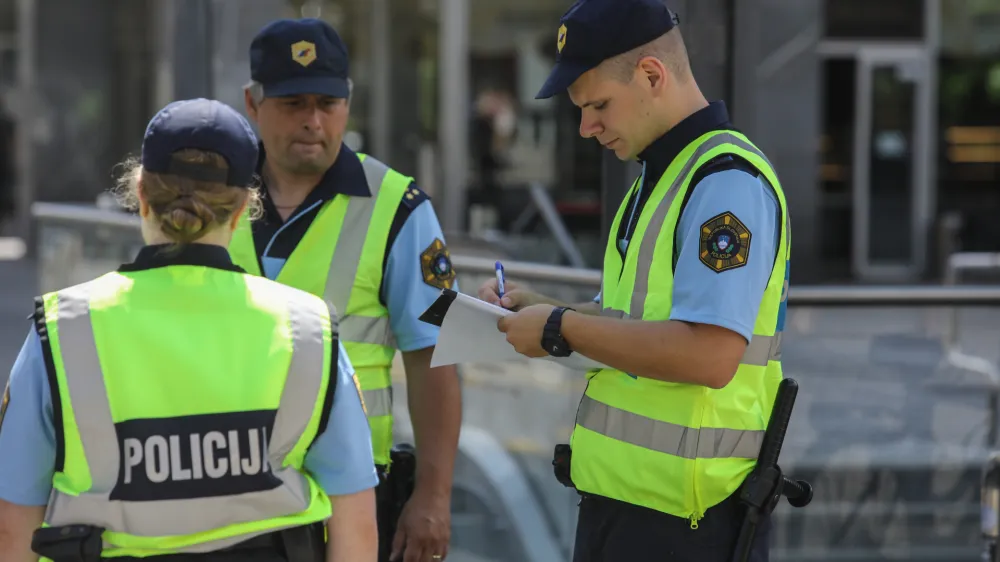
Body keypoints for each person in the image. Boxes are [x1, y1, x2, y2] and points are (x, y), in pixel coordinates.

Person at [0, 98, 378, 562]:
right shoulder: (310, 330)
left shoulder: (62, 331)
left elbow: (11, 529)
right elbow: (356, 525)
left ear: (140, 194)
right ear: (242, 211)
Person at [478, 1, 790, 561]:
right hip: (628, 509)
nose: (586, 126)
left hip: (687, 524)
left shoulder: (726, 184)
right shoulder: (657, 177)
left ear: (651, 75)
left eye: (598, 105)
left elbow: (709, 355)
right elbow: (635, 325)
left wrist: (560, 327)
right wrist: (543, 310)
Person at [230, 18, 461, 562]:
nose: (313, 121)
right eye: (293, 104)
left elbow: (435, 360)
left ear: (348, 104)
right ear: (253, 102)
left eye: (327, 103)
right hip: (227, 488)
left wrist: (433, 495)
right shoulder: (217, 197)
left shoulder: (397, 208)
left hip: (349, 494)